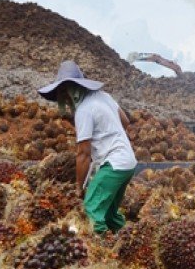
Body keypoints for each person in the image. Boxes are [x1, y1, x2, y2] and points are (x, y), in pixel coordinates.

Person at [38, 60, 137, 235]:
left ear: (71, 91)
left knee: (92, 209)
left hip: (113, 164)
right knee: (109, 215)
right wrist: (109, 132)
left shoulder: (84, 110)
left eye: (63, 92)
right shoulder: (104, 96)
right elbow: (125, 121)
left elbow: (83, 153)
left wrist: (79, 187)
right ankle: (129, 242)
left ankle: (100, 252)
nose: (63, 98)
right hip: (128, 162)